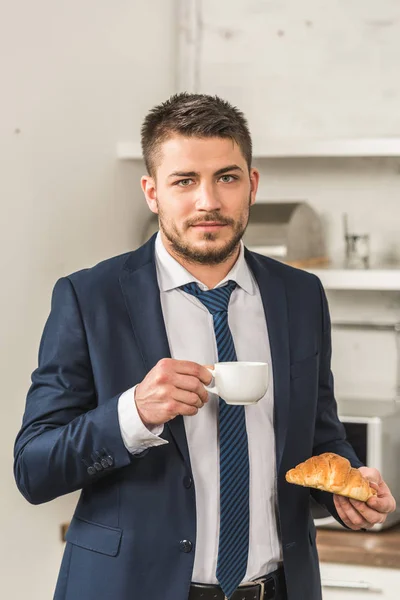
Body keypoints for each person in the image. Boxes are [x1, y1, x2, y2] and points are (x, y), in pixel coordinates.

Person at [14, 93, 396, 600]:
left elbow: (320, 438)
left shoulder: (300, 295)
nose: (208, 201)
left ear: (252, 185)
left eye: (227, 177)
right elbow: (34, 468)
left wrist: (348, 489)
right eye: (184, 181)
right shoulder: (89, 298)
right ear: (152, 192)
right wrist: (134, 414)